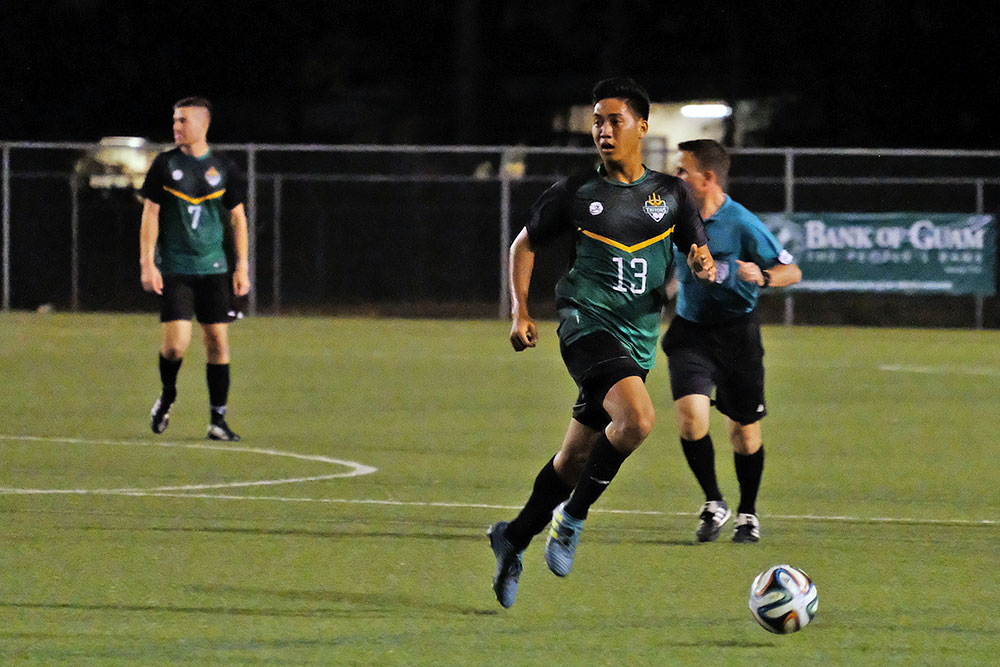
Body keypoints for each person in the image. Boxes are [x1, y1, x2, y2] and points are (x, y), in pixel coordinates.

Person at [487, 78, 716, 608]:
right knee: (637, 419)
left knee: (573, 458)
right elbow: (524, 245)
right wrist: (521, 310)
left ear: (642, 124)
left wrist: (703, 264)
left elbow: (697, 249)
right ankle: (572, 519)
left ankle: (513, 538)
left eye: (614, 120)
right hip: (586, 325)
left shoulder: (672, 194)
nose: (603, 130)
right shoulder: (574, 193)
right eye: (596, 120)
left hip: (637, 339)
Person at [664, 139, 801, 544]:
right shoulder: (672, 219)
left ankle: (747, 513)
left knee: (744, 435)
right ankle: (713, 502)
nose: (676, 177)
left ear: (706, 179)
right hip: (690, 333)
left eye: (682, 171)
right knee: (691, 421)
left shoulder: (741, 222)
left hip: (737, 336)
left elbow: (792, 272)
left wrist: (763, 277)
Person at [139, 97, 250, 441]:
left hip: (213, 268)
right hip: (176, 268)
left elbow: (238, 219)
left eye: (183, 121)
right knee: (176, 346)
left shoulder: (224, 167)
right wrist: (147, 262)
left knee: (217, 340)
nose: (176, 127)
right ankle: (168, 395)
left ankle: (217, 420)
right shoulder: (164, 165)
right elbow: (151, 214)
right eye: (174, 120)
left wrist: (242, 266)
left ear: (203, 125)